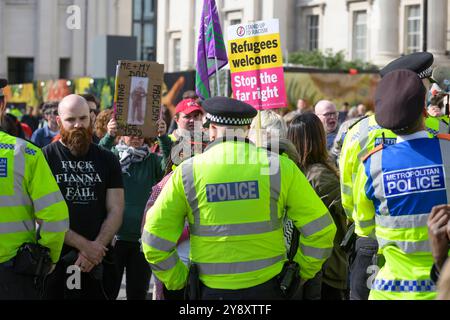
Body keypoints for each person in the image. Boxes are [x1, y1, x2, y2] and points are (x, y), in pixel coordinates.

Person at [142, 96, 336, 300]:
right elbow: (322, 230)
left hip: (210, 292)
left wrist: (179, 281)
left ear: (212, 129)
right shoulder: (280, 167)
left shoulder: (188, 172)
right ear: (246, 128)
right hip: (269, 289)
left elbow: (154, 240)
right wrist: (299, 273)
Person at [339, 51, 448, 300]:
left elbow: (349, 196)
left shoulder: (359, 135)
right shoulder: (442, 134)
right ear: (421, 101)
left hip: (386, 277)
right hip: (441, 281)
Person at [42, 94, 125, 300]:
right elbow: (42, 214)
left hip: (99, 260)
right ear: (59, 121)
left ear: (91, 118)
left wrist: (95, 249)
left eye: (83, 118)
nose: (78, 125)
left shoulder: (108, 159)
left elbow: (116, 209)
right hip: (55, 261)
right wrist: (85, 246)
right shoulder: (44, 158)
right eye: (71, 120)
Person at [0, 78, 69, 300]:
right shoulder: (25, 153)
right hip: (13, 273)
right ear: (2, 105)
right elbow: (56, 217)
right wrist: (48, 259)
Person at [99, 116, 171, 300]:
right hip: (113, 238)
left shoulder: (152, 161)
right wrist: (109, 135)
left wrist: (163, 137)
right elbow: (96, 159)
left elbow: (170, 167)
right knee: (108, 291)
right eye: (130, 131)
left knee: (137, 293)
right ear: (122, 134)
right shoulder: (112, 156)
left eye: (140, 131)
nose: (136, 136)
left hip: (141, 239)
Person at [288, 113, 349, 300]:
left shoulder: (296, 173)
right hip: (324, 266)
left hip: (312, 266)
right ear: (319, 138)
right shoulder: (320, 176)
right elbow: (347, 217)